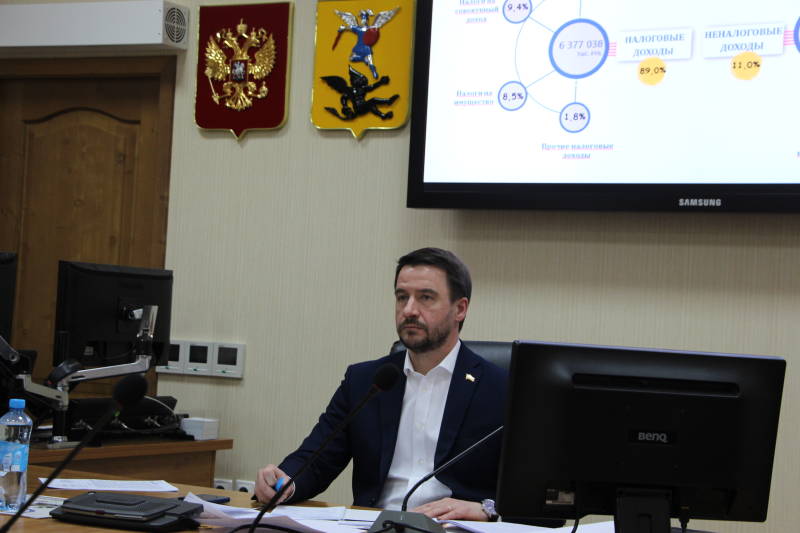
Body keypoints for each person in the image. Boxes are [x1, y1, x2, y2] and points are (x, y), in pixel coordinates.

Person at [255, 247, 507, 521]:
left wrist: (488, 509)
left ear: (460, 309)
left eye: (425, 297)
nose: (409, 310)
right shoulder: (367, 381)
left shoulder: (501, 389)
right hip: (375, 525)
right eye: (402, 297)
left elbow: (533, 499)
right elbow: (316, 461)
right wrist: (284, 482)